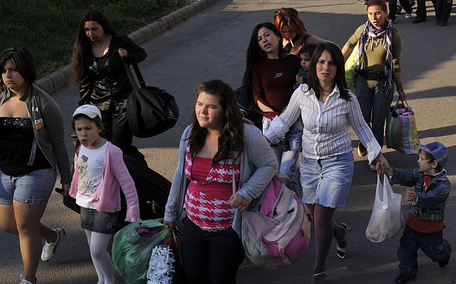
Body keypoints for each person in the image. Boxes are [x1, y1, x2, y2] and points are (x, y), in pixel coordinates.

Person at [264, 43, 391, 283]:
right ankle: (340, 233)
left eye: (331, 63)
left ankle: (319, 270)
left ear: (338, 68)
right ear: (314, 65)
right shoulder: (302, 94)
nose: (325, 67)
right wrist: (261, 141)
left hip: (338, 163)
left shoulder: (347, 97)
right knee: (315, 216)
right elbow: (283, 123)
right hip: (310, 164)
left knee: (321, 218)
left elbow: (362, 128)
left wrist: (377, 154)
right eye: (321, 62)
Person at [0, 47, 72, 284]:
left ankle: (28, 279)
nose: (8, 75)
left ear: (26, 71)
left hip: (38, 172)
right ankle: (53, 237)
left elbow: (58, 144)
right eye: (4, 70)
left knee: (25, 227)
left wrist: (67, 179)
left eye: (14, 69)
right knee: (9, 225)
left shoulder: (43, 103)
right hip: (6, 173)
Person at [163, 79, 278, 283]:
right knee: (192, 278)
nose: (202, 111)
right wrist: (170, 213)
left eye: (211, 106)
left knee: (220, 279)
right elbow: (180, 175)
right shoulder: (190, 134)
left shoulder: (246, 135)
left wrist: (247, 192)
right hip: (193, 224)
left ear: (226, 110)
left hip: (229, 229)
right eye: (199, 104)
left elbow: (269, 165)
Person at [69, 104, 140, 284]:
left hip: (105, 208)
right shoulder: (79, 148)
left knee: (97, 250)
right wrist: (72, 189)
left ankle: (109, 279)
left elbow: (127, 182)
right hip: (85, 205)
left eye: (88, 128)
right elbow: (79, 172)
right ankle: (101, 278)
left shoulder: (111, 152)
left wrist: (133, 209)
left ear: (99, 127)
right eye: (79, 129)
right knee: (92, 247)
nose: (83, 134)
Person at [71, 10, 147, 162]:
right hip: (99, 106)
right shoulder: (84, 49)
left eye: (94, 29)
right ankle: (112, 180)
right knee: (103, 145)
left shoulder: (119, 41)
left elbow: (141, 54)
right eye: (86, 30)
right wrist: (84, 110)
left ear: (103, 27)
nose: (90, 33)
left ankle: (140, 169)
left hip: (124, 103)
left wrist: (127, 55)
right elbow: (86, 83)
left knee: (120, 145)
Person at [375, 142, 452, 284]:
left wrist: (418, 197)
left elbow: (435, 197)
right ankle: (407, 271)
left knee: (434, 251)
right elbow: (407, 176)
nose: (418, 161)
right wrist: (389, 171)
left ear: (434, 164)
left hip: (431, 227)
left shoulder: (444, 185)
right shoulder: (420, 174)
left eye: (422, 159)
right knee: (405, 249)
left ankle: (444, 252)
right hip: (413, 223)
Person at [342, 0, 407, 164]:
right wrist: (335, 62)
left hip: (383, 86)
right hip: (362, 83)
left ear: (385, 13)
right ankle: (366, 144)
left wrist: (400, 88)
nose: (374, 17)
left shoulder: (394, 35)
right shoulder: (362, 30)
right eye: (370, 13)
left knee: (378, 121)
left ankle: (376, 158)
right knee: (362, 119)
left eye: (378, 13)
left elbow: (396, 64)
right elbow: (349, 44)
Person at [242, 22, 302, 194]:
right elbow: (257, 97)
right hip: (271, 124)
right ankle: (281, 209)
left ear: (277, 36)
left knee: (287, 169)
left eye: (267, 35)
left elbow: (304, 89)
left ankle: (294, 210)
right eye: (259, 39)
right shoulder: (258, 67)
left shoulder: (294, 61)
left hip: (295, 123)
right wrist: (276, 117)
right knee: (274, 171)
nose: (264, 40)